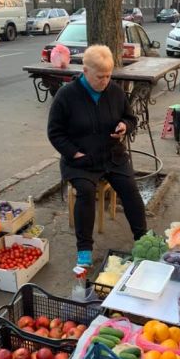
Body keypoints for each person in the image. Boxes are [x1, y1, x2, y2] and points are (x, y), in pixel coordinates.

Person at [47, 44, 147, 267]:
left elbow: (130, 118)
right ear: (85, 71)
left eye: (109, 76)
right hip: (80, 160)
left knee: (130, 188)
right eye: (100, 77)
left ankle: (143, 239)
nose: (105, 82)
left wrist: (124, 126)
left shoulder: (115, 91)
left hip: (112, 154)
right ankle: (84, 249)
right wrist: (74, 152)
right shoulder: (66, 95)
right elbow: (54, 132)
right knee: (85, 191)